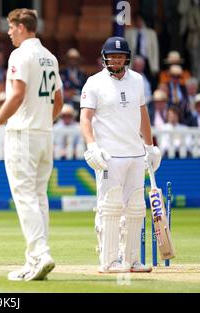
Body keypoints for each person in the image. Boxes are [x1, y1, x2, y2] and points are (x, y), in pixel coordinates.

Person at [0, 8, 63, 281]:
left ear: (22, 27)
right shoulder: (50, 57)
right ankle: (34, 260)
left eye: (11, 28)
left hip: (23, 134)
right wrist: (43, 122)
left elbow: (17, 95)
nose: (9, 32)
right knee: (38, 198)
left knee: (25, 197)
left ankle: (41, 253)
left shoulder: (20, 54)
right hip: (43, 135)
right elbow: (58, 102)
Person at [80, 37, 162, 274]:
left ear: (127, 57)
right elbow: (85, 118)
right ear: (104, 57)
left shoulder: (137, 80)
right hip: (109, 156)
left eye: (121, 55)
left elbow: (143, 114)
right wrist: (92, 146)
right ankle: (109, 260)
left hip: (135, 154)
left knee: (136, 207)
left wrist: (150, 146)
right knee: (111, 207)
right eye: (112, 55)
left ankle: (132, 259)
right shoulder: (94, 83)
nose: (116, 59)